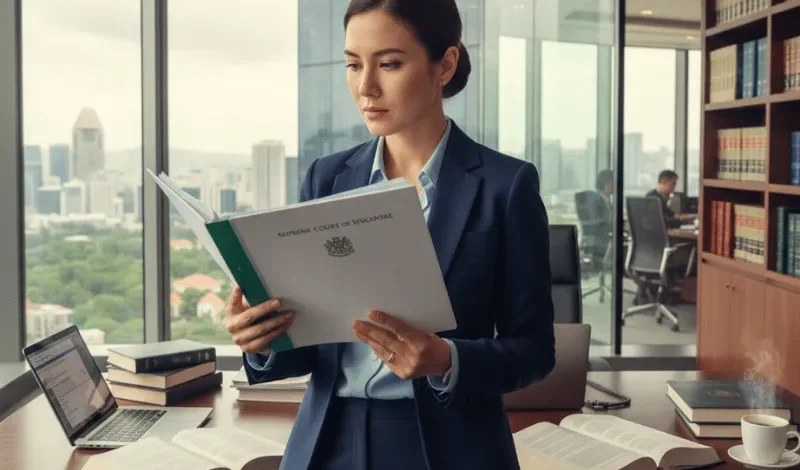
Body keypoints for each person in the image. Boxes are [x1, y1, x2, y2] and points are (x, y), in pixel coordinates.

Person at [224, 1, 555, 469]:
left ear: (445, 64)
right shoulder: (327, 177)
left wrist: (447, 359)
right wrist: (261, 341)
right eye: (354, 65)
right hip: (328, 436)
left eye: (389, 64)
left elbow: (535, 350)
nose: (365, 88)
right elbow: (309, 349)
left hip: (447, 445)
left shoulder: (506, 187)